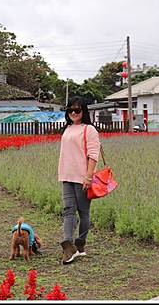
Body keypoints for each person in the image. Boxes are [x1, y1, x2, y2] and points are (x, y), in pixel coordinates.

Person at [57, 96, 100, 264]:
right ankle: (69, 247)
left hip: (82, 177)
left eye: (77, 110)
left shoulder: (89, 130)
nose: (73, 113)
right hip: (66, 175)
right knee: (68, 210)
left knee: (83, 213)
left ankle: (80, 244)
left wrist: (89, 176)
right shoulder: (67, 128)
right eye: (70, 110)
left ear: (83, 111)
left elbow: (93, 154)